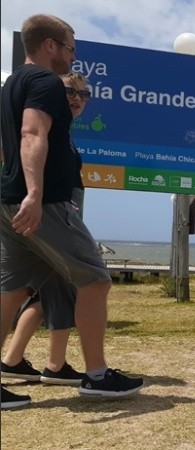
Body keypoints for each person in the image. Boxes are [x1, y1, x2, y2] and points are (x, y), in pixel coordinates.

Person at [0, 14, 143, 410]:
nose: (72, 56)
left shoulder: (12, 84)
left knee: (11, 290)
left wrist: (16, 190)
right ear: (49, 45)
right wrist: (34, 193)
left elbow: (7, 146)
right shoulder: (44, 82)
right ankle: (98, 376)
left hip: (10, 200)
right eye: (70, 48)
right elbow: (32, 134)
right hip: (42, 204)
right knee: (95, 280)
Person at [1, 72, 91, 387]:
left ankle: (15, 360)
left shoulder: (60, 131)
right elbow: (15, 160)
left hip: (55, 214)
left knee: (38, 290)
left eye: (84, 93)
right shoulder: (40, 128)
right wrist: (50, 203)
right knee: (65, 286)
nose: (77, 97)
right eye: (69, 90)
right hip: (48, 216)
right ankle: (53, 365)